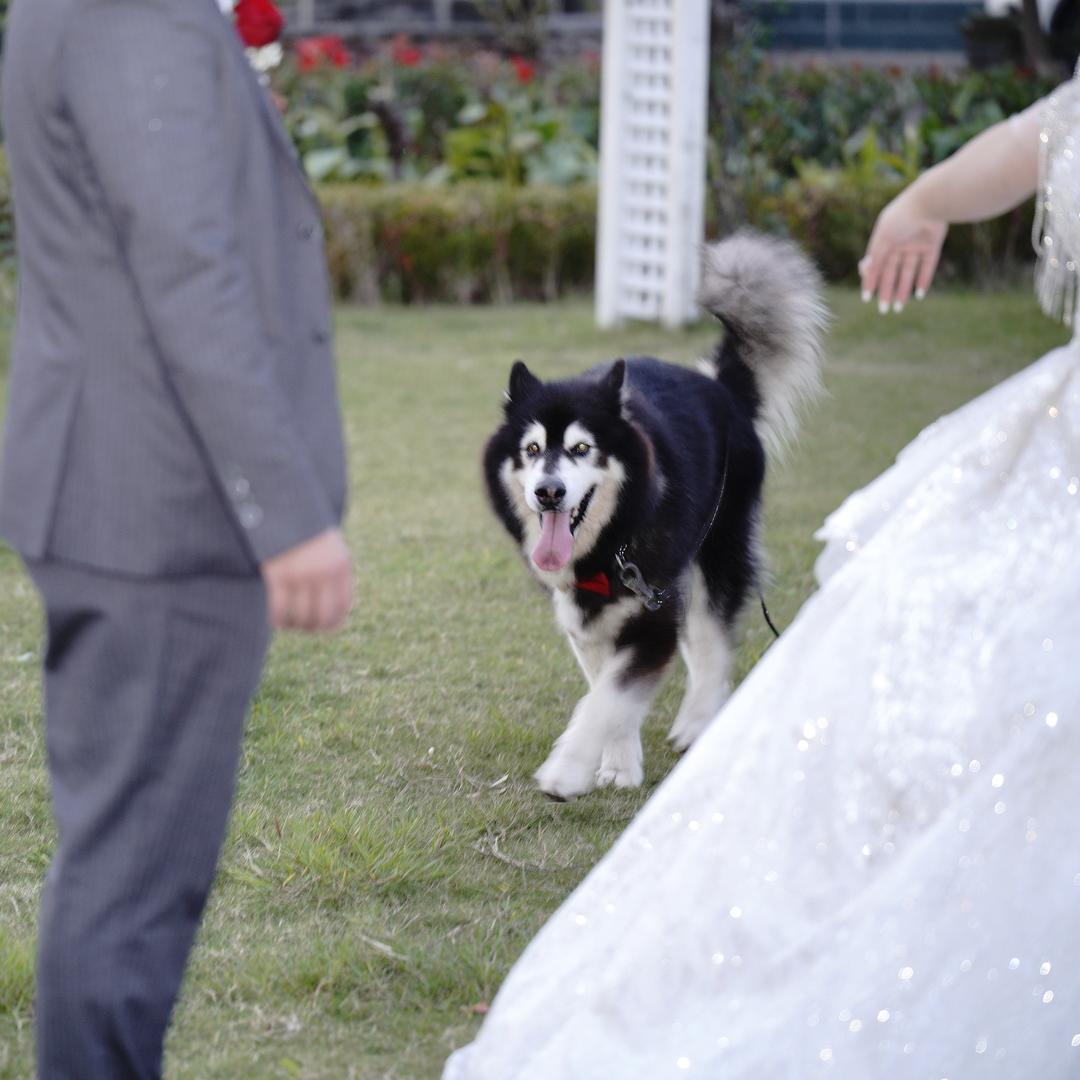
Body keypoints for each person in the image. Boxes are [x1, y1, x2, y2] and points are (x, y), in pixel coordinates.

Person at [443, 77, 1080, 1079]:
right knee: (593, 611)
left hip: (702, 455)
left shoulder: (653, 466)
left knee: (696, 599)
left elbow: (662, 604)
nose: (551, 476)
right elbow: (1025, 141)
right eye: (535, 459)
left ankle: (705, 691)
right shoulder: (1067, 108)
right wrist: (916, 202)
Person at [0, 2, 353, 1076]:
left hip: (122, 482)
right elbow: (185, 268)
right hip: (157, 499)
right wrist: (284, 513)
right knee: (134, 885)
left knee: (127, 867)